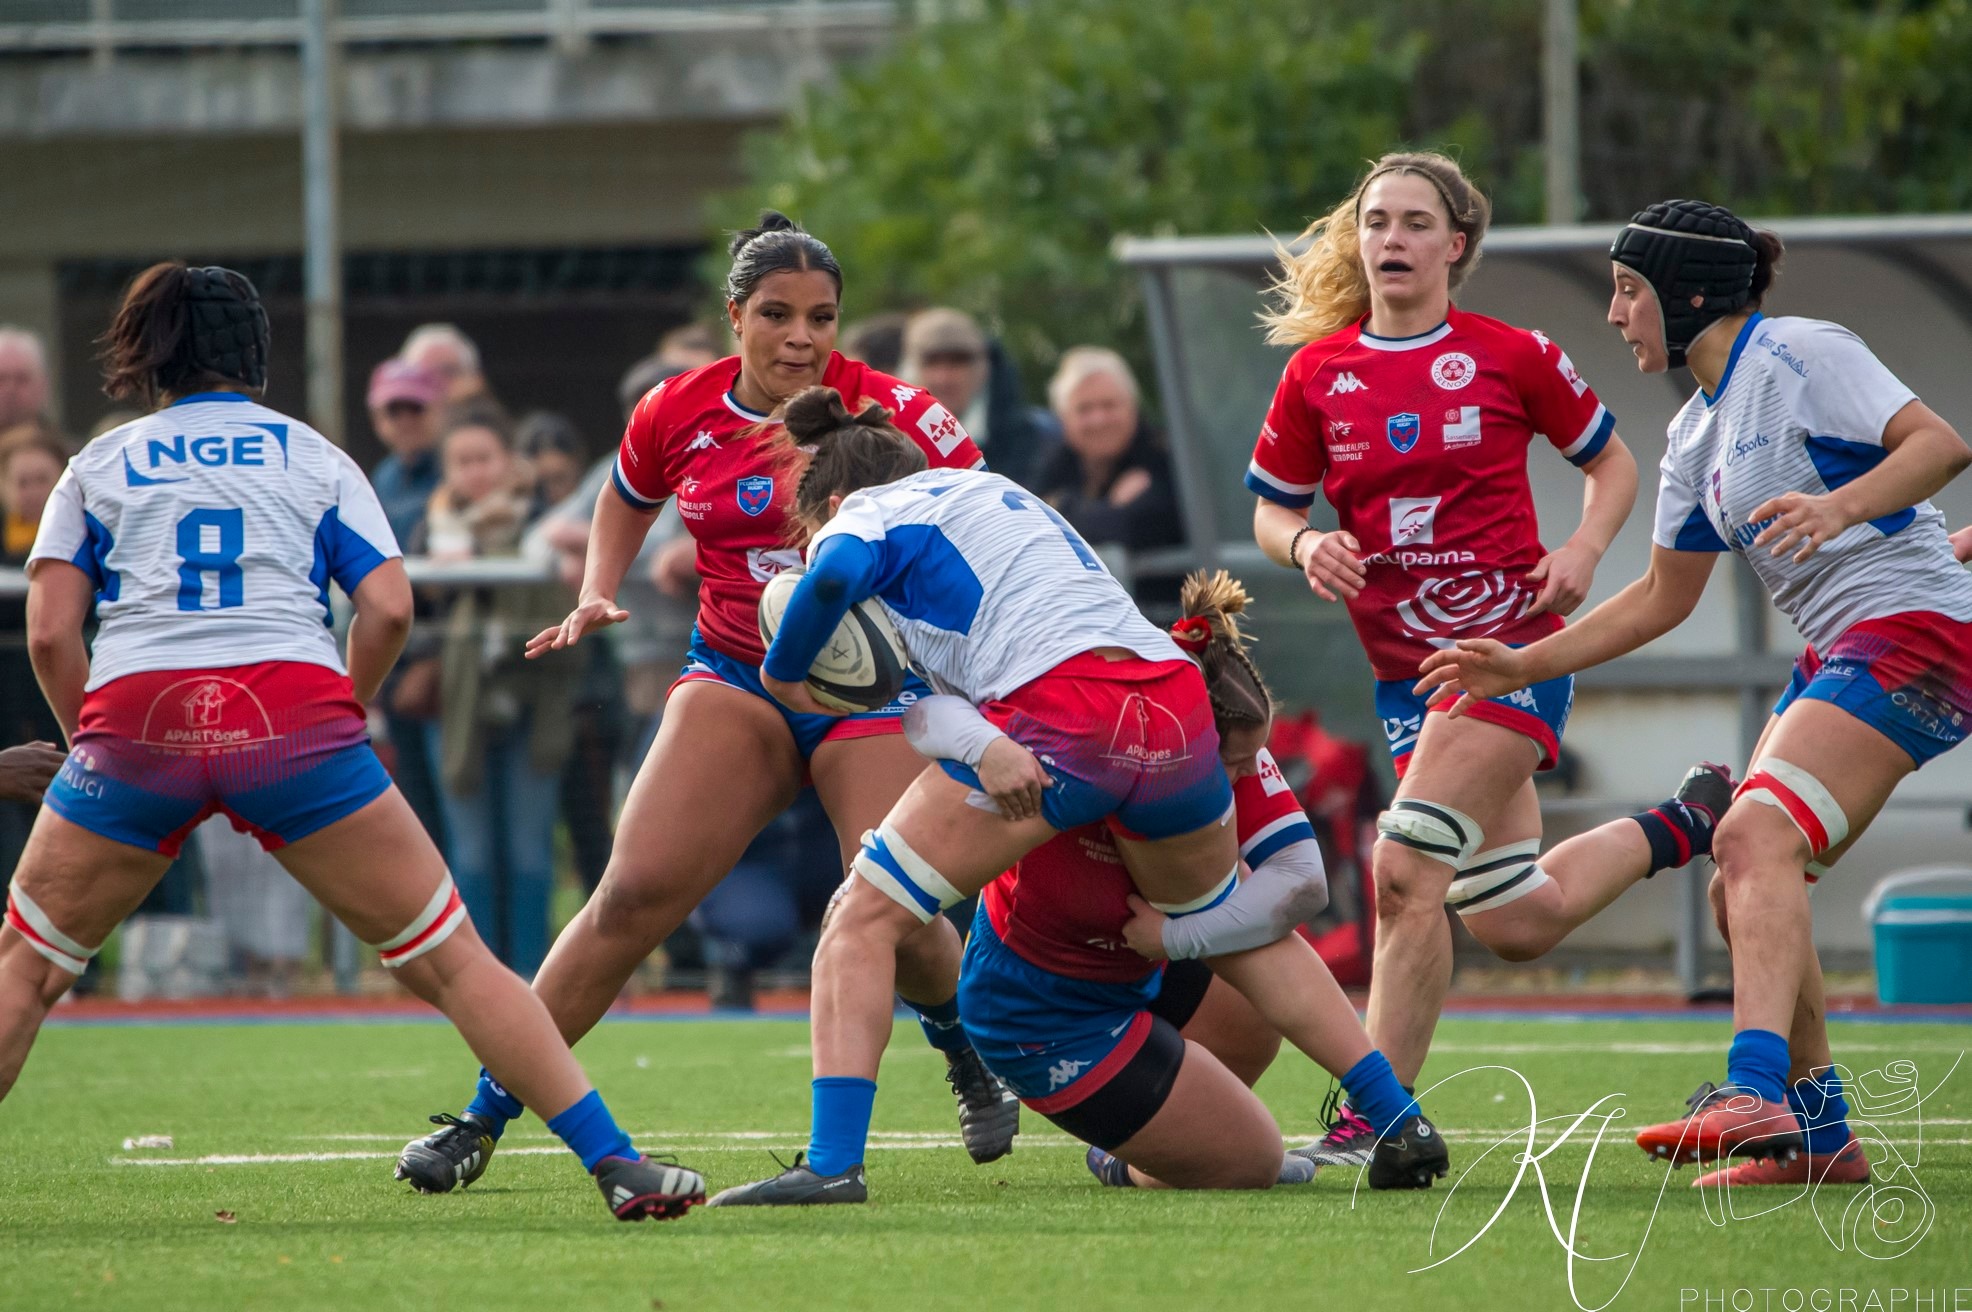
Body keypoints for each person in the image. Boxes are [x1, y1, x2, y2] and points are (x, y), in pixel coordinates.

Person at [0, 262, 700, 1218]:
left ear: (149, 357)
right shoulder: (315, 456)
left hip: (136, 723)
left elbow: (47, 632)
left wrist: (93, 740)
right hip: (294, 720)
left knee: (29, 970)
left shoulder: (97, 465)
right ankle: (615, 1162)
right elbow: (388, 606)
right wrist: (345, 709)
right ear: (254, 352)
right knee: (454, 962)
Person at [395, 212, 1014, 1192]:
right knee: (629, 897)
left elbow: (993, 523)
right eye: (776, 313)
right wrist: (601, 583)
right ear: (735, 316)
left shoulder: (899, 410)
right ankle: (483, 1114)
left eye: (821, 316)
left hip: (870, 689)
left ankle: (963, 1049)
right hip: (738, 672)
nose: (801, 337)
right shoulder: (671, 409)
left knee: (889, 901)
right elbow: (624, 495)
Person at [709, 391, 1444, 1205]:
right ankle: (1397, 1116)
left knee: (862, 919)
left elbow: (835, 574)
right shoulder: (999, 498)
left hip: (1061, 711)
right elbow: (955, 693)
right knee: (1237, 932)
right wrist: (989, 745)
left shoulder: (870, 513)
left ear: (836, 503)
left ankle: (834, 1162)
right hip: (1169, 698)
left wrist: (783, 671)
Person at [1417, 199, 1972, 1188]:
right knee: (1742, 877)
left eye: (1629, 291)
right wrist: (1519, 661)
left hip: (1914, 636)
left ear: (1689, 295)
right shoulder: (1690, 434)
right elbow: (1658, 601)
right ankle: (1817, 1136)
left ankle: (1753, 1089)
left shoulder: (1803, 351)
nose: (1614, 313)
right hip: (1848, 648)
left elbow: (1937, 445)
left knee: (1753, 835)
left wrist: (1838, 505)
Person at [1242, 153, 1743, 1169]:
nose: (1390, 238)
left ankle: (1373, 1114)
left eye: (1414, 222)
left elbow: (1611, 462)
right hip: (1402, 677)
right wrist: (1302, 544)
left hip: (1505, 655)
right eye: (1376, 220)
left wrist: (1581, 552)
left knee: (1402, 867)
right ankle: (1686, 821)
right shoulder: (1317, 373)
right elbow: (1270, 509)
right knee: (1513, 915)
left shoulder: (1510, 354)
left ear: (1454, 244)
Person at [910, 573, 1427, 1191]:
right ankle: (1132, 1156)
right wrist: (987, 747)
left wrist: (1178, 936)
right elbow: (927, 708)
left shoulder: (1218, 734)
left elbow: (1302, 885)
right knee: (1254, 1163)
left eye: (1249, 763)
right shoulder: (1080, 730)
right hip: (1046, 1010)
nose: (1240, 777)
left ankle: (1392, 1110)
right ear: (1177, 734)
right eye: (1232, 763)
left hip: (1144, 963)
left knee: (1248, 915)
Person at [414, 412, 577, 979]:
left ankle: (537, 979)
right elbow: (410, 610)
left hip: (534, 704)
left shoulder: (547, 524)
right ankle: (475, 979)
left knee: (530, 855)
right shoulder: (428, 531)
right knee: (472, 857)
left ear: (509, 463)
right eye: (463, 462)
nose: (476, 472)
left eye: (486, 459)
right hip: (456, 712)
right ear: (447, 471)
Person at [0, 431, 71, 875]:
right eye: (20, 481)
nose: (30, 492)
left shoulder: (83, 548)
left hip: (61, 727)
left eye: (41, 480)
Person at [1032, 346, 1181, 552]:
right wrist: (1112, 508)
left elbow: (1144, 529)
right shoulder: (1056, 464)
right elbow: (1034, 532)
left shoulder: (1165, 456)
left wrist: (1070, 509)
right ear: (1063, 418)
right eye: (1084, 409)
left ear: (1133, 407)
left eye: (1109, 405)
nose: (1099, 420)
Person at [900, 308, 1060, 487]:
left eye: (958, 360)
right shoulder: (887, 437)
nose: (944, 377)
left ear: (984, 367)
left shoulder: (1035, 440)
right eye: (931, 361)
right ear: (911, 368)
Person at [401, 323, 498, 413]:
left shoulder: (495, 430)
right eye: (425, 375)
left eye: (448, 372)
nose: (438, 382)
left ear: (474, 380)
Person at [0, 328, 51, 436]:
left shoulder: (64, 451)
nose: (10, 389)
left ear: (42, 385)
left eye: (21, 379)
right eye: (1, 379)